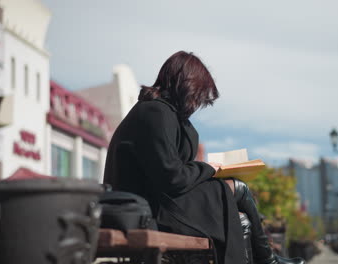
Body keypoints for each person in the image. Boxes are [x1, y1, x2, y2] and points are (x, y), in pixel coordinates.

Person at [103, 51, 304, 264]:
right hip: (146, 209)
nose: (197, 103)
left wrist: (206, 168)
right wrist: (209, 169)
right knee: (239, 189)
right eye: (197, 95)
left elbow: (172, 172)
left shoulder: (165, 114)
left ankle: (268, 259)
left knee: (241, 219)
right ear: (186, 85)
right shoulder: (155, 112)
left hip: (157, 202)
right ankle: (268, 260)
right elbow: (171, 177)